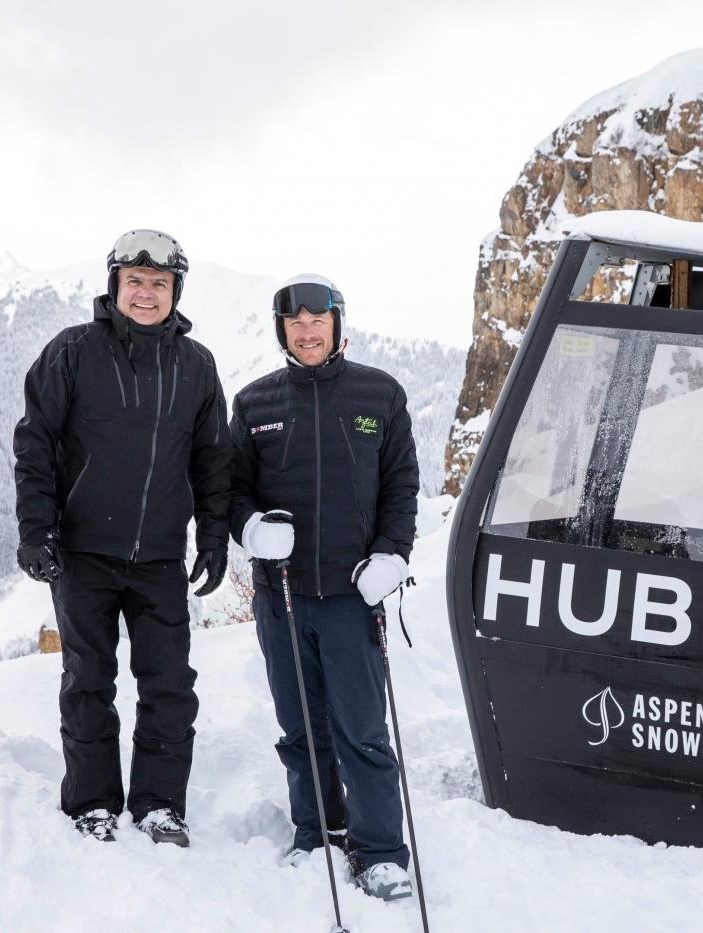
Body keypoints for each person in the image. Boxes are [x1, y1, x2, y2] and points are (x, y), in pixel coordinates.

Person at [13, 229, 230, 847]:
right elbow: (35, 441)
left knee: (168, 686)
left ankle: (160, 805)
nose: (145, 293)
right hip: (83, 554)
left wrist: (212, 538)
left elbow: (213, 460)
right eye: (134, 282)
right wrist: (35, 528)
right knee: (88, 680)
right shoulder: (73, 351)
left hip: (160, 556)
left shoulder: (196, 365)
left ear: (174, 292)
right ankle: (93, 803)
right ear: (115, 287)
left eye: (158, 284)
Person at [228, 273, 419, 901]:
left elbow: (400, 489)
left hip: (350, 595)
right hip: (280, 596)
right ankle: (316, 831)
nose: (307, 333)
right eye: (295, 323)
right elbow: (233, 491)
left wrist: (391, 556)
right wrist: (251, 528)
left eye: (318, 321)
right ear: (283, 330)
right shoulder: (256, 404)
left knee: (360, 726)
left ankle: (380, 850)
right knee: (299, 725)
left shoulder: (379, 395)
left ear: (337, 323)